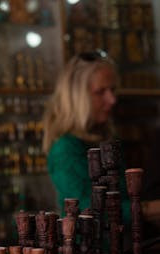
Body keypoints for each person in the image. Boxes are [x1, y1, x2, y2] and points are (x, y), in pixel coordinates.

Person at [42, 50, 131, 222]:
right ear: (76, 97)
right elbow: (90, 211)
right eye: (100, 92)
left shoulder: (104, 138)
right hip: (86, 247)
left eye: (112, 90)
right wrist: (148, 209)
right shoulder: (65, 147)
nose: (112, 99)